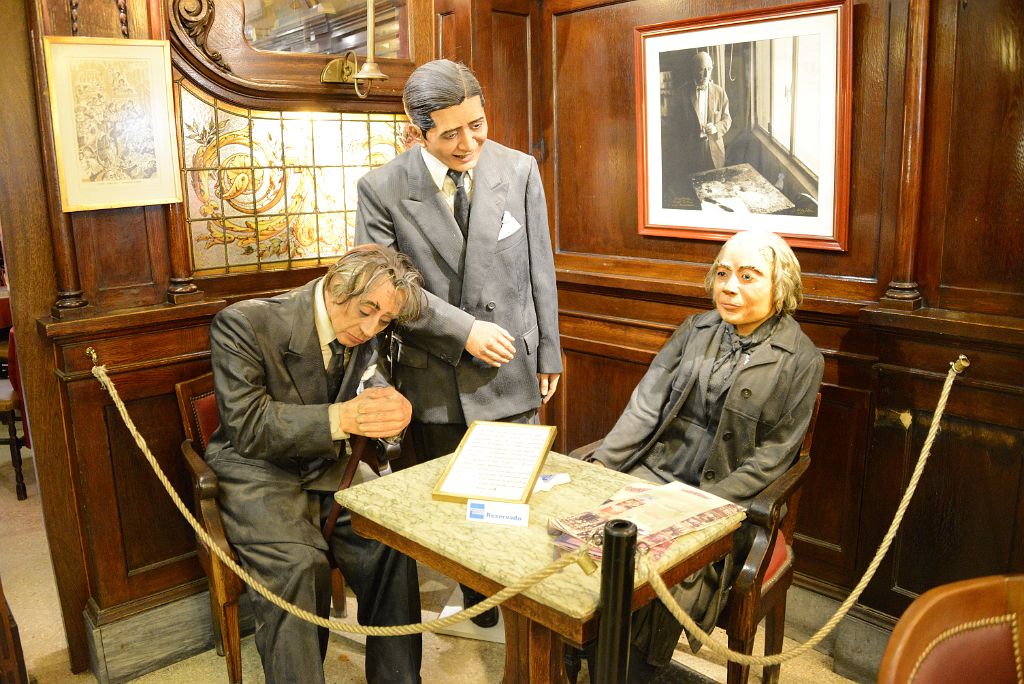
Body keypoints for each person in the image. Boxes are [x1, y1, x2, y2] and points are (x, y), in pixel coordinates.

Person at [355, 59, 563, 627]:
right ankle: (479, 597)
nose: (468, 142)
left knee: (515, 504)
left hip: (512, 372)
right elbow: (382, 288)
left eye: (478, 124)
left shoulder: (519, 170)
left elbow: (540, 268)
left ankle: (520, 609)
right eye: (450, 132)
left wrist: (549, 352)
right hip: (436, 378)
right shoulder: (382, 188)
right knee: (462, 510)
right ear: (413, 129)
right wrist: (463, 330)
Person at [584, 230, 823, 681]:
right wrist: (602, 467)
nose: (730, 286)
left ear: (780, 285)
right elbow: (645, 406)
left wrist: (698, 506)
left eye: (748, 276)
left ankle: (627, 672)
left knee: (663, 568)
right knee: (587, 536)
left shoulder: (801, 358)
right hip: (652, 472)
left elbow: (775, 457)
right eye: (723, 273)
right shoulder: (695, 330)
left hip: (723, 501)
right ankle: (584, 648)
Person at [205, 244, 425, 684]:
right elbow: (248, 425)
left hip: (330, 466)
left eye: (384, 320)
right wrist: (340, 417)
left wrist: (391, 415)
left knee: (393, 547)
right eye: (367, 310)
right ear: (338, 283)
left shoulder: (365, 330)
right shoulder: (245, 323)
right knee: (298, 568)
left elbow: (371, 383)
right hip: (258, 470)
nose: (370, 329)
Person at [663, 50, 732, 202]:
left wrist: (716, 128)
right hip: (690, 151)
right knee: (693, 193)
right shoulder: (681, 94)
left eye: (709, 68)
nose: (707, 73)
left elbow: (727, 120)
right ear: (694, 70)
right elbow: (674, 127)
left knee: (716, 195)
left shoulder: (720, 92)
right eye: (702, 69)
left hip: (714, 150)